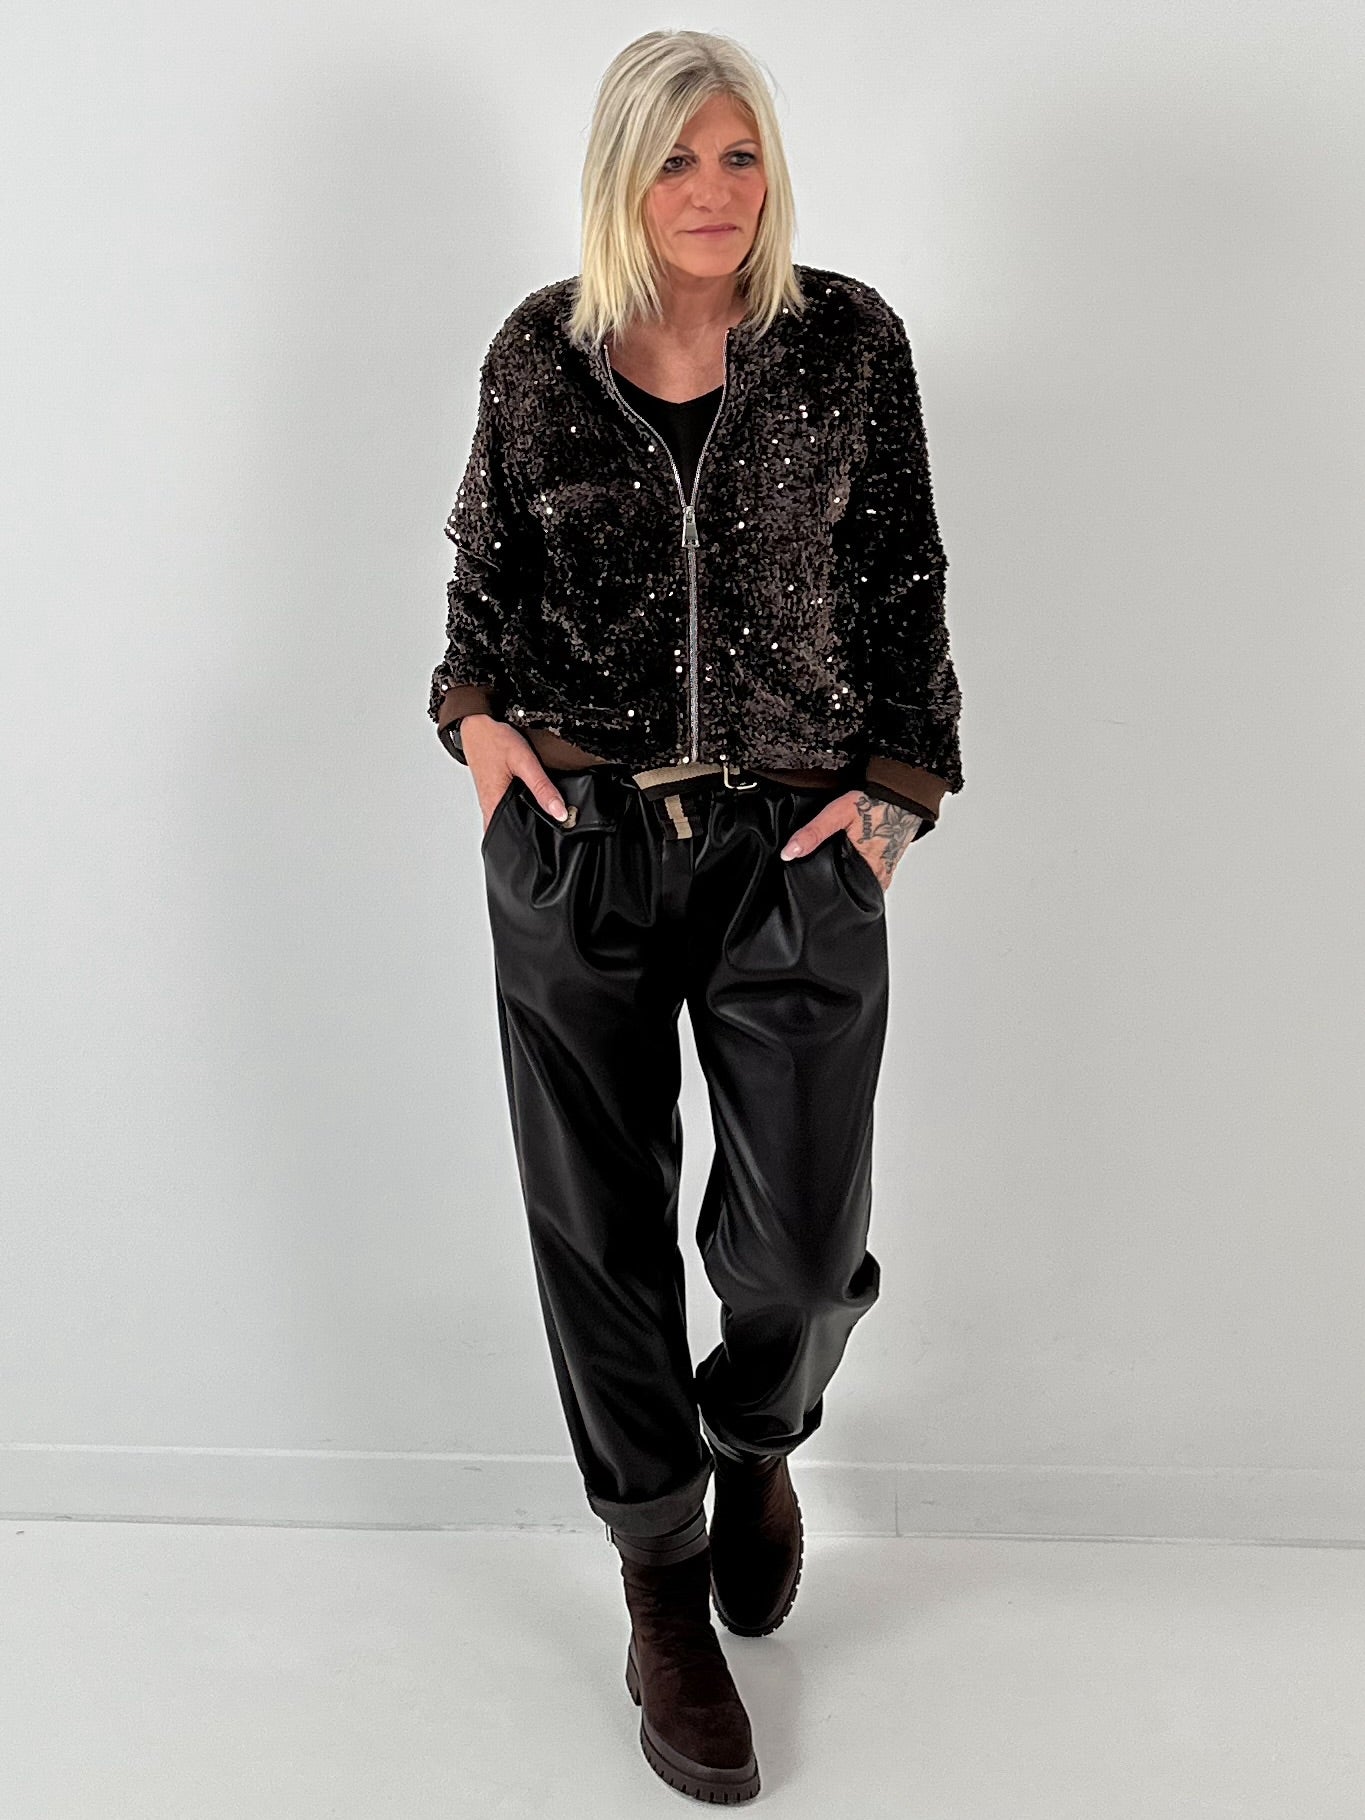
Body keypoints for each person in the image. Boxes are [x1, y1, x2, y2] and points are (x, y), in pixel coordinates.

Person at [428, 29, 964, 1805]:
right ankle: (659, 1580)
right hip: (577, 841)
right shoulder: (540, 350)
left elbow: (905, 581)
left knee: (799, 1247)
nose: (714, 191)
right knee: (597, 1228)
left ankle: (755, 1430)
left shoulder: (847, 343)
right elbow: (482, 583)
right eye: (676, 159)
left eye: (737, 155)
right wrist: (475, 726)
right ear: (621, 174)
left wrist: (893, 802)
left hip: (789, 847)